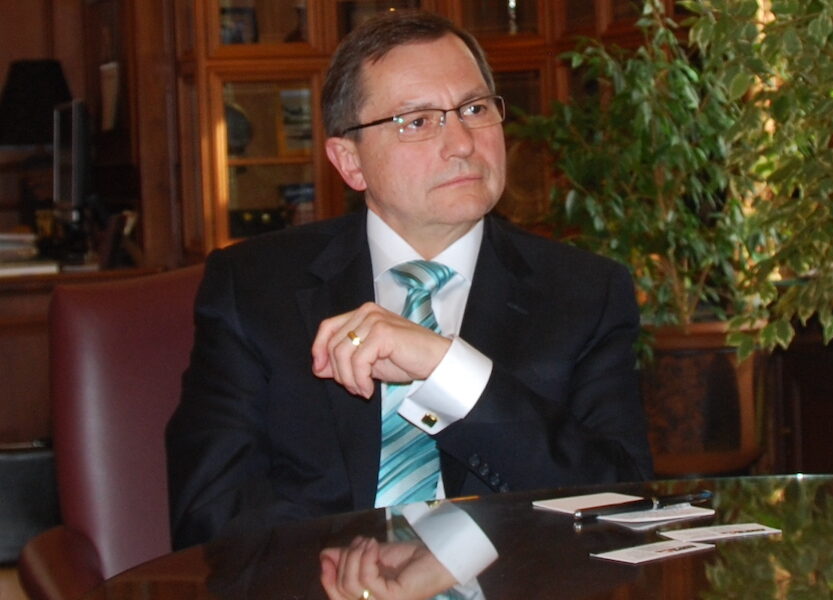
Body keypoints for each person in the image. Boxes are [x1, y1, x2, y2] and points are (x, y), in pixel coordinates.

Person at [166, 9, 654, 551]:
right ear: (349, 162)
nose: (464, 143)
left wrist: (449, 371)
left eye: (474, 108)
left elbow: (621, 505)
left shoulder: (585, 292)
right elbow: (208, 515)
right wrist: (362, 572)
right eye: (418, 121)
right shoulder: (255, 287)